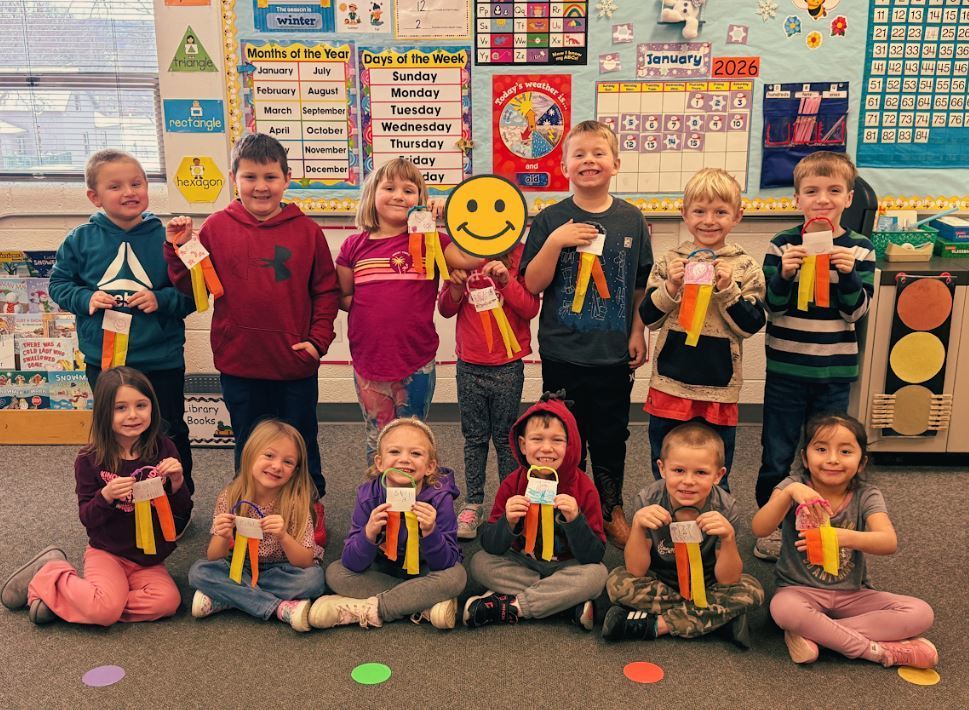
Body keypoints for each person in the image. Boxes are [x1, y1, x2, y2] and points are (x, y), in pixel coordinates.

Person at [165, 133, 339, 542]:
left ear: (286, 178)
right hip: (240, 361)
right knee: (248, 441)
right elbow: (195, 290)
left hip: (294, 363)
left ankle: (310, 505)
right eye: (250, 177)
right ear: (233, 178)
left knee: (301, 438)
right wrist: (178, 250)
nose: (260, 186)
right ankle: (250, 510)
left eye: (270, 176)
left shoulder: (307, 231)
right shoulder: (216, 229)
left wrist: (317, 342)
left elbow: (326, 292)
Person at [520, 120, 652, 548]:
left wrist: (638, 330)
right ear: (564, 166)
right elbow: (533, 285)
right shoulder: (552, 219)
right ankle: (561, 504)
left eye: (598, 153)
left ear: (616, 163)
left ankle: (611, 507)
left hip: (612, 353)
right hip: (563, 352)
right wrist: (555, 242)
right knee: (560, 436)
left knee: (612, 434)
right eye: (579, 154)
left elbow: (639, 285)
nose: (589, 161)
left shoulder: (631, 219)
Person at [49, 150, 196, 501]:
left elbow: (193, 297)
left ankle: (178, 499)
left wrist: (161, 300)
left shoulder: (170, 238)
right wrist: (86, 299)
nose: (129, 192)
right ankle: (119, 498)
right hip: (106, 361)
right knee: (114, 432)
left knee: (169, 431)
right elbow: (58, 285)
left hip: (160, 359)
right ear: (94, 197)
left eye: (137, 183)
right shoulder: (79, 239)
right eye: (115, 186)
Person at [754, 152, 875, 560]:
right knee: (777, 451)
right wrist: (784, 275)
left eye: (834, 191)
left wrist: (849, 275)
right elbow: (770, 307)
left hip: (834, 372)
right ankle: (768, 524)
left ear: (849, 197)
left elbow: (857, 312)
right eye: (812, 191)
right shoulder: (782, 244)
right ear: (797, 199)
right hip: (786, 368)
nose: (822, 199)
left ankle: (822, 525)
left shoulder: (860, 248)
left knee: (826, 453)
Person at [0, 367, 191, 625]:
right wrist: (106, 496)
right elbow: (87, 518)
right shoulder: (90, 459)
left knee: (168, 602)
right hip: (108, 552)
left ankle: (69, 601)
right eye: (120, 408)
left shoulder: (164, 448)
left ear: (152, 408)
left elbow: (180, 510)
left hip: (148, 558)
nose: (133, 415)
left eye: (141, 405)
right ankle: (50, 573)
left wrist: (178, 482)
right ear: (103, 413)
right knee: (105, 609)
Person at [752, 413, 938, 669]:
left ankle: (817, 633)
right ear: (805, 458)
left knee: (921, 613)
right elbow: (760, 528)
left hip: (853, 593)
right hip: (800, 591)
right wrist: (789, 494)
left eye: (845, 451)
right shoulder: (792, 486)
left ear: (862, 463)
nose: (832, 459)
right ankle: (877, 651)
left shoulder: (866, 495)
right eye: (821, 449)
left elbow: (888, 542)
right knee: (784, 610)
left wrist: (843, 537)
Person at [336, 158, 474, 463]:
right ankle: (380, 503)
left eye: (409, 190)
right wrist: (376, 311)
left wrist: (450, 215)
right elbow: (344, 296)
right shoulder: (353, 246)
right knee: (378, 438)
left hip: (416, 360)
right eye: (389, 187)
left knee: (413, 437)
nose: (399, 195)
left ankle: (414, 504)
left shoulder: (433, 242)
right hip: (369, 359)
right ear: (372, 195)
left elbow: (470, 258)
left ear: (420, 201)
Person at [640, 168, 765, 490]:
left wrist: (727, 290)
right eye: (699, 211)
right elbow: (649, 318)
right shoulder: (670, 261)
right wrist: (670, 286)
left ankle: (713, 526)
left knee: (716, 464)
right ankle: (666, 520)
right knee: (666, 460)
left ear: (737, 216)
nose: (709, 220)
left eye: (720, 212)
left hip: (719, 387)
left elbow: (750, 325)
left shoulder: (745, 266)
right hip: (671, 382)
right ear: (684, 214)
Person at [602, 422, 763, 646]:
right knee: (617, 582)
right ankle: (717, 619)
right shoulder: (648, 500)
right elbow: (636, 570)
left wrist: (728, 538)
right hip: (661, 582)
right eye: (678, 470)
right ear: (662, 469)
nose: (688, 481)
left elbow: (728, 579)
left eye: (701, 472)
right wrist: (637, 527)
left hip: (707, 584)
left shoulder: (726, 508)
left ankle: (656, 625)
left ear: (718, 475)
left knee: (752, 589)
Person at [464, 392, 607, 630]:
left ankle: (512, 606)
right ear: (522, 444)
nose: (546, 449)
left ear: (570, 444)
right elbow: (490, 545)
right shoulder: (512, 483)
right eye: (537, 439)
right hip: (523, 564)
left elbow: (594, 555)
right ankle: (563, 601)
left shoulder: (584, 488)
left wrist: (575, 521)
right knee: (479, 563)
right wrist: (507, 523)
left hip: (567, 565)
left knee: (598, 575)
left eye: (557, 440)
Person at [310, 418, 466, 630]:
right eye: (394, 452)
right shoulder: (368, 496)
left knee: (456, 577)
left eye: (416, 453)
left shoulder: (440, 499)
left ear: (430, 467)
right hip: (383, 567)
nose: (404, 460)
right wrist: (369, 534)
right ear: (379, 463)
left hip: (425, 569)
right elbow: (352, 562)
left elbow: (447, 562)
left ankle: (371, 609)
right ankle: (420, 603)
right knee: (335, 573)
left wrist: (431, 532)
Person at [438, 246, 539, 540]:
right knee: (474, 437)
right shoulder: (460, 254)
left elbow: (530, 308)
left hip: (507, 365)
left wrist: (507, 280)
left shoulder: (520, 254)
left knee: (507, 438)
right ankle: (474, 502)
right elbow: (445, 309)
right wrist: (456, 288)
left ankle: (509, 503)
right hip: (469, 364)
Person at [188, 420, 326, 632]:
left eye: (288, 462)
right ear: (250, 455)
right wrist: (223, 536)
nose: (277, 466)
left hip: (282, 570)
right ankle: (278, 607)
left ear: (295, 471)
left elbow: (305, 562)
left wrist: (284, 536)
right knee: (198, 572)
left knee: (314, 580)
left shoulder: (297, 503)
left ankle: (229, 597)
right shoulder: (231, 496)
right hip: (239, 566)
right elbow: (214, 557)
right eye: (269, 455)